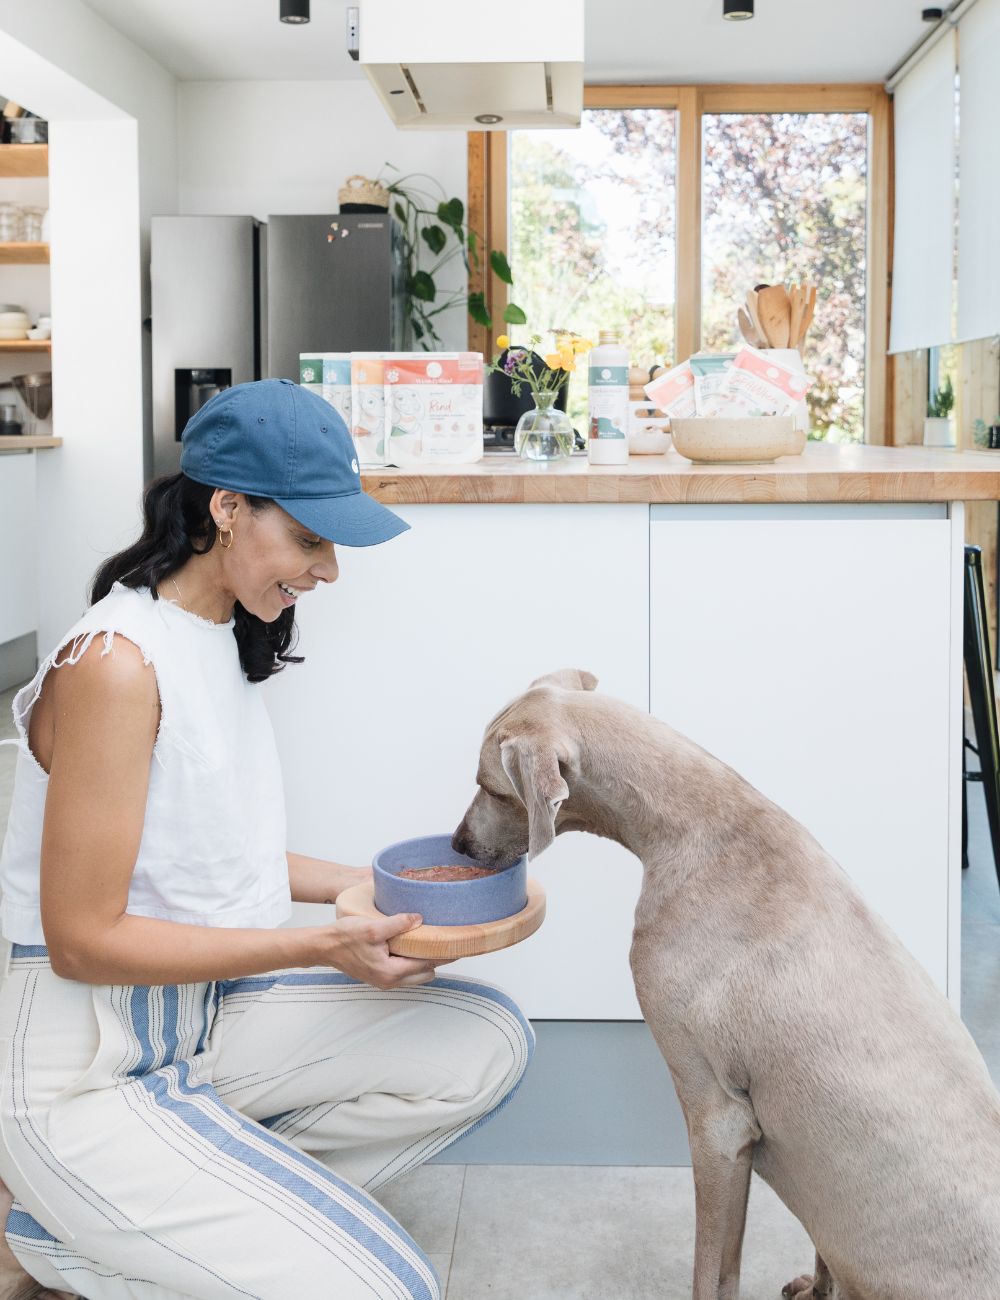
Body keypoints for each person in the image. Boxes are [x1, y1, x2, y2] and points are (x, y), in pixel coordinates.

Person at [0, 379, 533, 1300]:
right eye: (311, 540)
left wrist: (371, 891)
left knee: (487, 1037)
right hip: (86, 1069)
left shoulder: (219, 634)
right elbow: (84, 940)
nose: (328, 571)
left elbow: (201, 848)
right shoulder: (117, 666)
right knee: (393, 1288)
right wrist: (318, 943)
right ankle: (63, 1229)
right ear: (226, 508)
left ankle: (162, 1210)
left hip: (194, 1031)